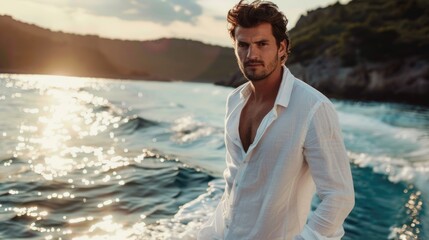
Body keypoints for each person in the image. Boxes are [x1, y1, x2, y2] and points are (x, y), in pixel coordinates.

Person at [198, 0, 355, 239]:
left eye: (262, 44)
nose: (252, 54)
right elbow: (234, 183)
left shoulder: (314, 108)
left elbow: (339, 196)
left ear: (282, 48)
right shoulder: (235, 101)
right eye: (243, 45)